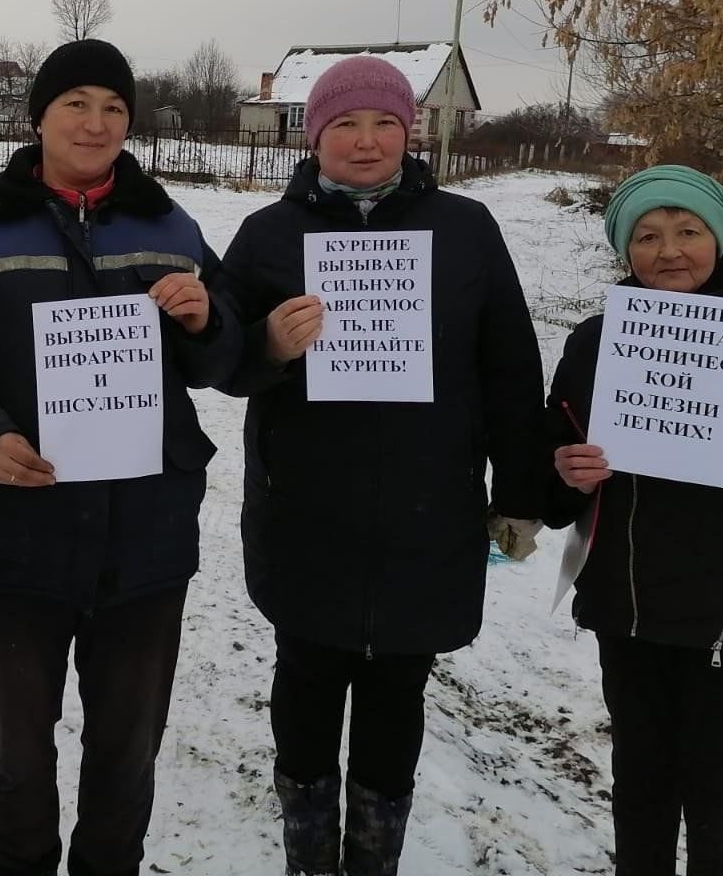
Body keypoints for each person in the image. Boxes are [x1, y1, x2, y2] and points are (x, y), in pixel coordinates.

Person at [0, 38, 241, 876]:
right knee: (16, 753)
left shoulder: (172, 226)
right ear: (39, 117)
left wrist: (204, 320)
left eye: (114, 108)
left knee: (127, 754)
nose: (96, 123)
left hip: (146, 543)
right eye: (76, 104)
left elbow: (226, 365)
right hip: (18, 542)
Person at [218, 55, 549, 876]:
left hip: (426, 510)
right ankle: (308, 853)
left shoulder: (465, 229)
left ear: (411, 131)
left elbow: (509, 367)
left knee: (400, 688)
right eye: (345, 125)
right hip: (306, 510)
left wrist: (518, 492)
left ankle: (373, 857)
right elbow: (220, 361)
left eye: (385, 124)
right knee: (304, 680)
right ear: (315, 133)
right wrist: (267, 345)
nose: (365, 143)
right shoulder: (269, 234)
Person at [543, 165, 723, 876]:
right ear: (624, 251)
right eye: (647, 236)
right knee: (639, 803)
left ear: (721, 236)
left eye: (688, 231)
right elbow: (553, 471)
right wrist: (563, 471)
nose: (669, 251)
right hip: (634, 618)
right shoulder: (598, 341)